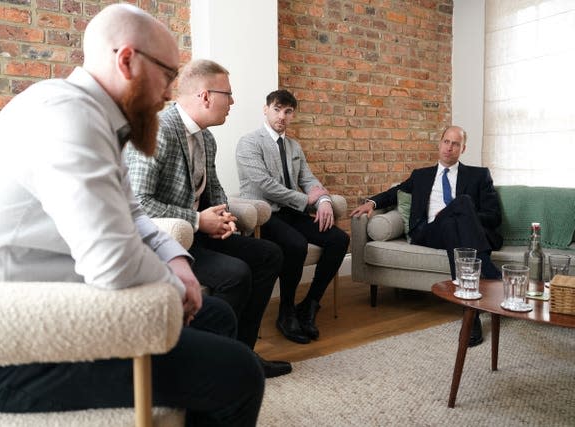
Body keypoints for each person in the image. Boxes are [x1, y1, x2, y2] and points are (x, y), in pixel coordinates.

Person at [0, 5, 264, 425]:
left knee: (216, 315)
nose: (169, 92)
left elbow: (133, 215)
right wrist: (171, 288)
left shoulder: (88, 116)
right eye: (167, 75)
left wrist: (177, 262)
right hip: (1, 348)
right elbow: (112, 263)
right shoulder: (68, 118)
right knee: (239, 373)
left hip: (43, 313)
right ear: (126, 60)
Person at [124, 59, 290, 377]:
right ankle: (211, 364)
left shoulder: (206, 138)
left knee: (269, 255)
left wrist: (225, 217)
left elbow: (215, 191)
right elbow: (139, 204)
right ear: (205, 96)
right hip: (165, 240)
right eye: (228, 93)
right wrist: (199, 220)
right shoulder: (157, 132)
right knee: (236, 273)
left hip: (198, 234)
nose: (233, 101)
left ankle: (243, 354)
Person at [351, 125, 502, 347]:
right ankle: (489, 270)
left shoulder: (479, 175)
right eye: (446, 142)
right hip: (430, 232)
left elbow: (493, 216)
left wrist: (458, 214)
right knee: (461, 204)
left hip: (455, 232)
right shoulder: (421, 175)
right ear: (439, 143)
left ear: (463, 148)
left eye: (456, 144)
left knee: (458, 213)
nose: (449, 148)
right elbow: (395, 192)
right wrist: (372, 202)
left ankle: (471, 314)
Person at [235, 89, 349, 344]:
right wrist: (305, 200)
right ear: (266, 110)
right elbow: (264, 184)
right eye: (277, 109)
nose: (282, 116)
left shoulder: (294, 146)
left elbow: (308, 180)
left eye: (288, 111)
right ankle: (286, 311)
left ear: (293, 115)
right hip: (264, 214)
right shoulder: (249, 142)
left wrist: (324, 201)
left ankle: (309, 304)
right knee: (296, 245)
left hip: (292, 212)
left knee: (339, 240)